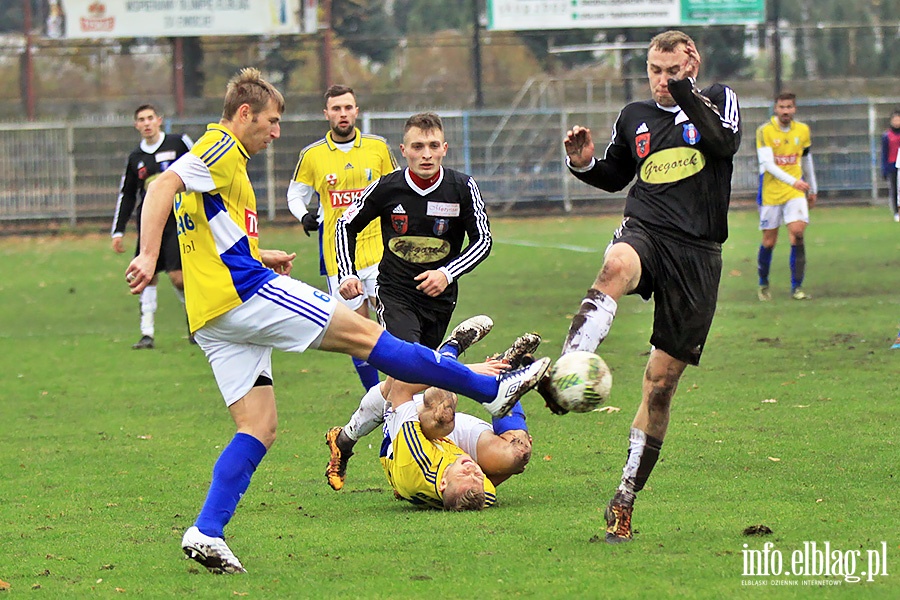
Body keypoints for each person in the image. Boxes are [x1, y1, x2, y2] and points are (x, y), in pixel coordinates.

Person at [124, 67, 549, 574]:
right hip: (243, 295)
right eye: (272, 121)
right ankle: (491, 391)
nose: (276, 131)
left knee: (258, 427)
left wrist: (263, 255)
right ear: (244, 114)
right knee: (371, 339)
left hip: (213, 315)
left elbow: (210, 232)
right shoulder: (219, 145)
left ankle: (207, 530)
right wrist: (149, 255)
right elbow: (161, 188)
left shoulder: (226, 169)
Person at [555, 30, 741, 543]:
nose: (661, 81)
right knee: (616, 263)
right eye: (655, 72)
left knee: (660, 385)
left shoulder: (719, 100)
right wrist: (585, 162)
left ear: (692, 65)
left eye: (672, 71)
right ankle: (569, 365)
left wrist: (685, 92)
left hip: (699, 254)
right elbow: (616, 176)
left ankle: (624, 498)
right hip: (647, 230)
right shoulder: (633, 116)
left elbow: (723, 142)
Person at [330, 111, 497, 485]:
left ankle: (344, 438)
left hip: (439, 298)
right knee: (406, 372)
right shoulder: (388, 188)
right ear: (404, 150)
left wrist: (446, 273)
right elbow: (345, 223)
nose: (426, 154)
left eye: (433, 146)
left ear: (444, 149)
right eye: (418, 146)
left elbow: (483, 240)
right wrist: (347, 273)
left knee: (402, 383)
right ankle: (395, 453)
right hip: (395, 292)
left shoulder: (462, 188)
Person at [325, 324, 542, 494]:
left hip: (407, 438)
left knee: (416, 393)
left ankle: (450, 351)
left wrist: (471, 371)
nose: (474, 472)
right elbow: (490, 482)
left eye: (468, 476)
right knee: (519, 453)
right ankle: (504, 372)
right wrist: (509, 461)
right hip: (450, 449)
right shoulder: (475, 492)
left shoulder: (414, 455)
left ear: (443, 484)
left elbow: (400, 387)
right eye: (478, 476)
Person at [287, 85, 398, 389]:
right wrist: (304, 215)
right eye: (336, 109)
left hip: (379, 250)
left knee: (392, 321)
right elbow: (295, 194)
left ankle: (399, 387)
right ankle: (376, 394)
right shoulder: (312, 155)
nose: (343, 114)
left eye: (348, 107)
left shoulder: (377, 148)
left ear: (356, 110)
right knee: (357, 330)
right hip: (338, 257)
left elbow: (397, 186)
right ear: (326, 114)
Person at [111, 104, 193, 349]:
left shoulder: (179, 143)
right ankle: (147, 333)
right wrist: (118, 230)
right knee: (146, 276)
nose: (146, 123)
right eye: (141, 120)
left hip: (178, 220)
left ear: (159, 120)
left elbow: (203, 165)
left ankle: (195, 323)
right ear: (136, 125)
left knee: (179, 279)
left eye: (150, 118)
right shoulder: (135, 157)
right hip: (149, 222)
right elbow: (127, 194)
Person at [755, 91, 818, 301]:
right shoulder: (764, 131)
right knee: (769, 241)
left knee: (798, 233)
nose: (785, 111)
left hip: (795, 191)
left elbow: (806, 159)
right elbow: (768, 165)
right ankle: (763, 283)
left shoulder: (802, 130)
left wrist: (813, 188)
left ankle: (797, 287)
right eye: (782, 107)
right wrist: (794, 181)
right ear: (775, 108)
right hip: (771, 192)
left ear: (794, 109)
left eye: (789, 107)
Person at [880, 110, 900, 222]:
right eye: (895, 119)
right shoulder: (887, 136)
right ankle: (896, 212)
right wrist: (884, 169)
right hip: (892, 165)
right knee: (895, 189)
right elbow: (884, 153)